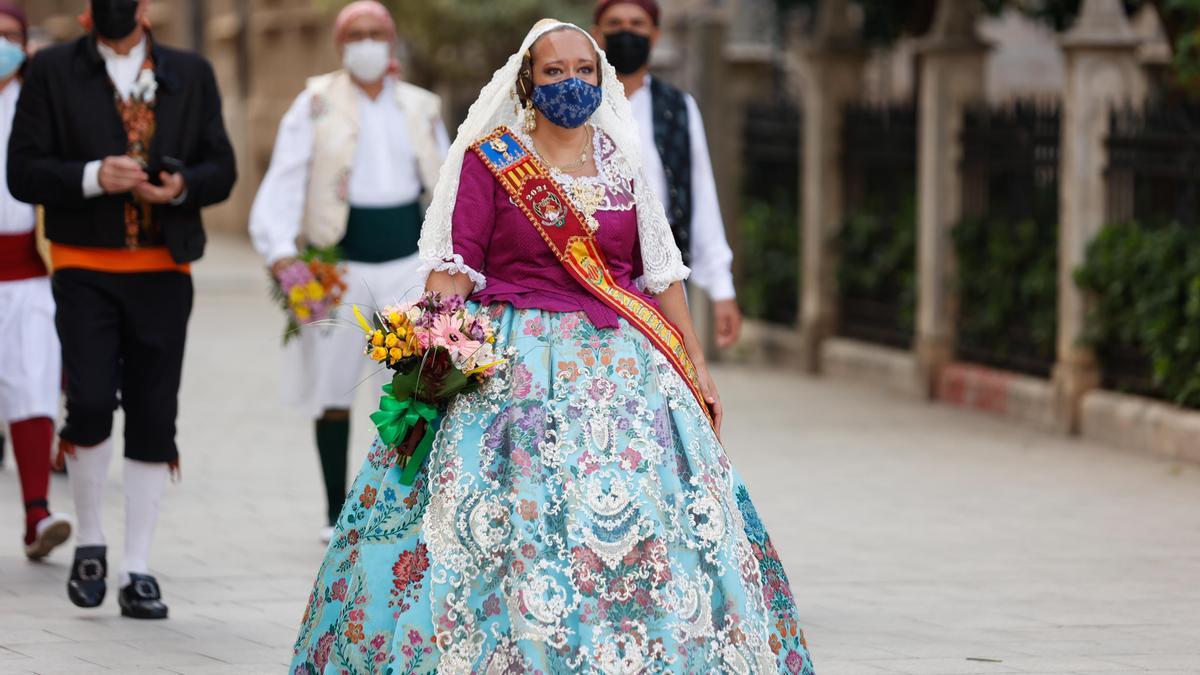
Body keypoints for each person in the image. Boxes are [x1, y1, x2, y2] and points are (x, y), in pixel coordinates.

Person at [289, 19, 815, 673]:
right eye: (554, 71)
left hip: (626, 370)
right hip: (515, 366)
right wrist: (425, 362)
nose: (571, 82)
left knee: (643, 520)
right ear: (527, 82)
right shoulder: (492, 162)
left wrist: (695, 362)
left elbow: (661, 272)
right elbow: (455, 268)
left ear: (602, 79)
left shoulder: (623, 160)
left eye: (584, 70)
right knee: (516, 521)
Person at [7, 0, 236, 619]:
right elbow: (21, 172)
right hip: (83, 266)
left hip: (166, 270)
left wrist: (181, 186)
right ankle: (89, 541)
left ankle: (137, 566)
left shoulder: (190, 71)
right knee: (85, 402)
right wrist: (89, 176)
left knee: (155, 413)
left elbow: (224, 168)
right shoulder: (52, 70)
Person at [250, 0, 450, 544]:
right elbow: (286, 179)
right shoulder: (315, 103)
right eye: (355, 33)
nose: (366, 42)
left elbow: (448, 184)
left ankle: (405, 500)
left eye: (375, 32)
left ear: (391, 41)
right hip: (340, 263)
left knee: (412, 384)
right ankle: (335, 511)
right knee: (334, 387)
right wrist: (281, 252)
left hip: (409, 262)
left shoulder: (421, 106)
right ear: (341, 45)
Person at [593, 0, 743, 349]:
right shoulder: (579, 105)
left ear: (655, 34)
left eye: (636, 23)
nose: (626, 32)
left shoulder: (678, 108)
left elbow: (701, 196)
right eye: (615, 24)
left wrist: (722, 289)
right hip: (592, 271)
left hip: (660, 277)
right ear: (598, 34)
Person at [0, 2, 73, 562]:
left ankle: (36, 515)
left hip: (29, 273)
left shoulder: (41, 105)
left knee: (33, 389)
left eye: (8, 37)